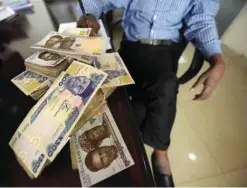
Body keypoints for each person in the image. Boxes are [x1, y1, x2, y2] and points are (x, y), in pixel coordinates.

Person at [76, 0, 225, 186]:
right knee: (130, 108)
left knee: (166, 85)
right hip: (131, 48)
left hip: (166, 52)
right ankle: (151, 152)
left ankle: (160, 153)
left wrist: (217, 60)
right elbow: (97, 2)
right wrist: (88, 16)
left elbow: (202, 20)